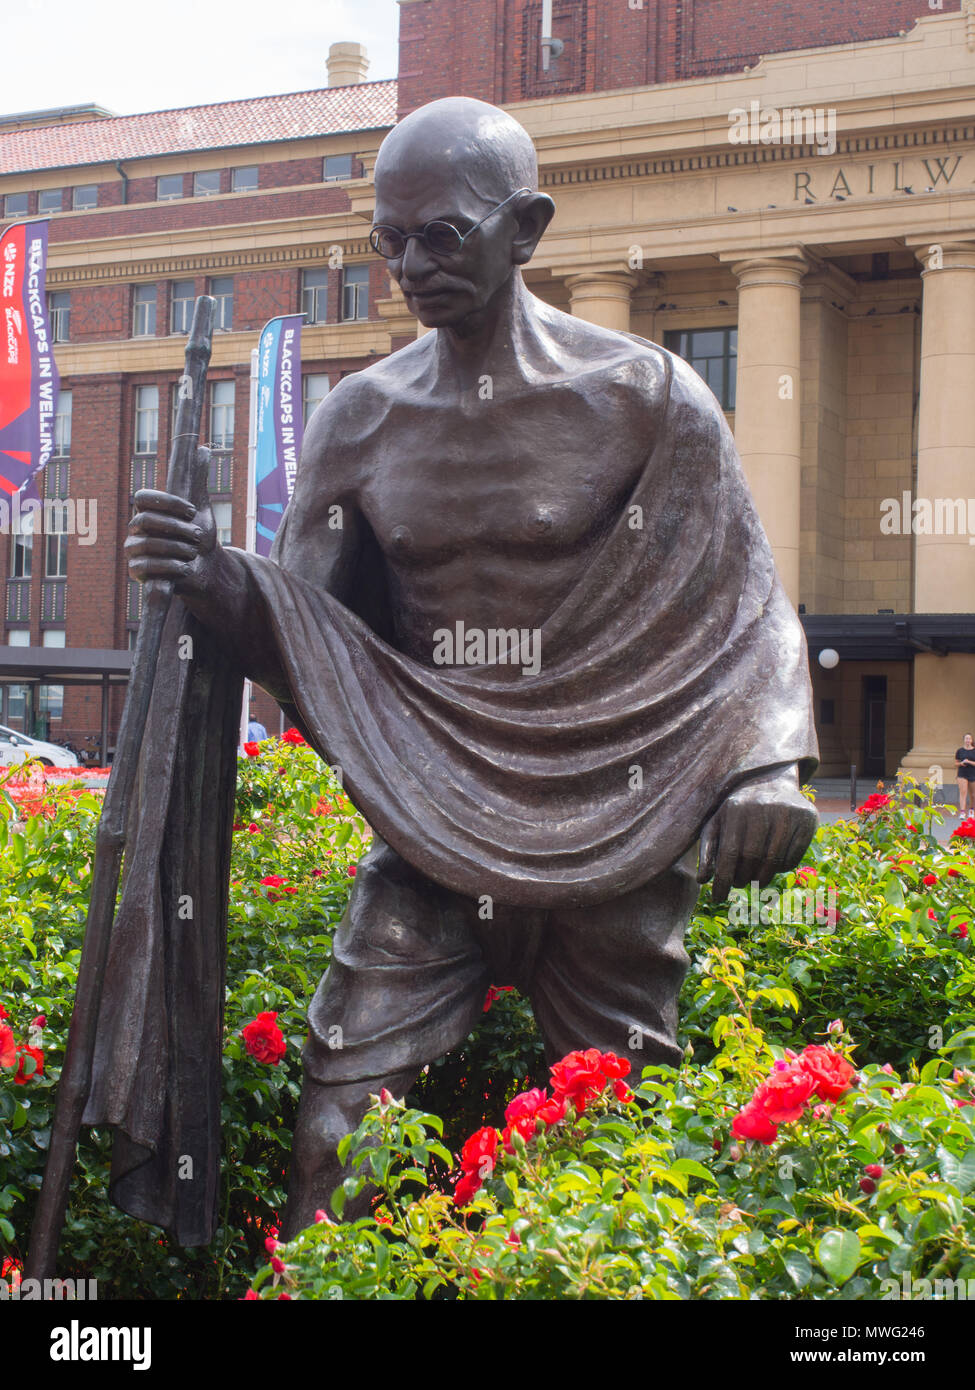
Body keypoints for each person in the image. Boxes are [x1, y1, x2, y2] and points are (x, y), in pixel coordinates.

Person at [120, 96, 818, 1243]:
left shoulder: (644, 399)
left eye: (442, 234)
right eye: (390, 241)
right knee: (338, 1130)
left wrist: (766, 770)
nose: (411, 267)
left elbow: (744, 604)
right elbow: (309, 632)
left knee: (621, 1140)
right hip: (430, 827)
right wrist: (214, 578)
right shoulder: (360, 420)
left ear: (527, 227)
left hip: (615, 826)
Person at [956, 733, 975, 815]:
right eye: (966, 739)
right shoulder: (959, 751)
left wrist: (968, 761)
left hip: (973, 773)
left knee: (973, 794)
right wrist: (960, 764)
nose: (967, 740)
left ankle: (971, 810)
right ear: (964, 740)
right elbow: (956, 763)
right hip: (962, 773)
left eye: (969, 739)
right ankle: (962, 812)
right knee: (963, 792)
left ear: (971, 740)